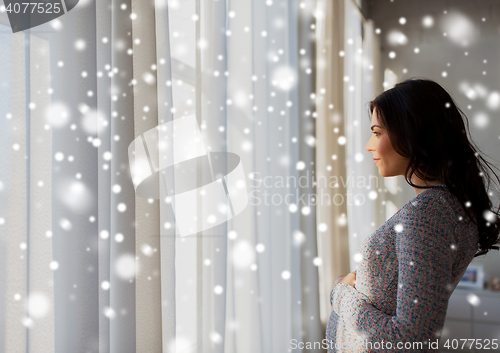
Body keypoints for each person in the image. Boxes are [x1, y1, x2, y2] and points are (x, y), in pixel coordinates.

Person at [325, 78, 500, 352]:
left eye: (377, 132)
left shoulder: (430, 214)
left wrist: (341, 295)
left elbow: (411, 338)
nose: (369, 145)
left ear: (412, 133)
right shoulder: (441, 207)